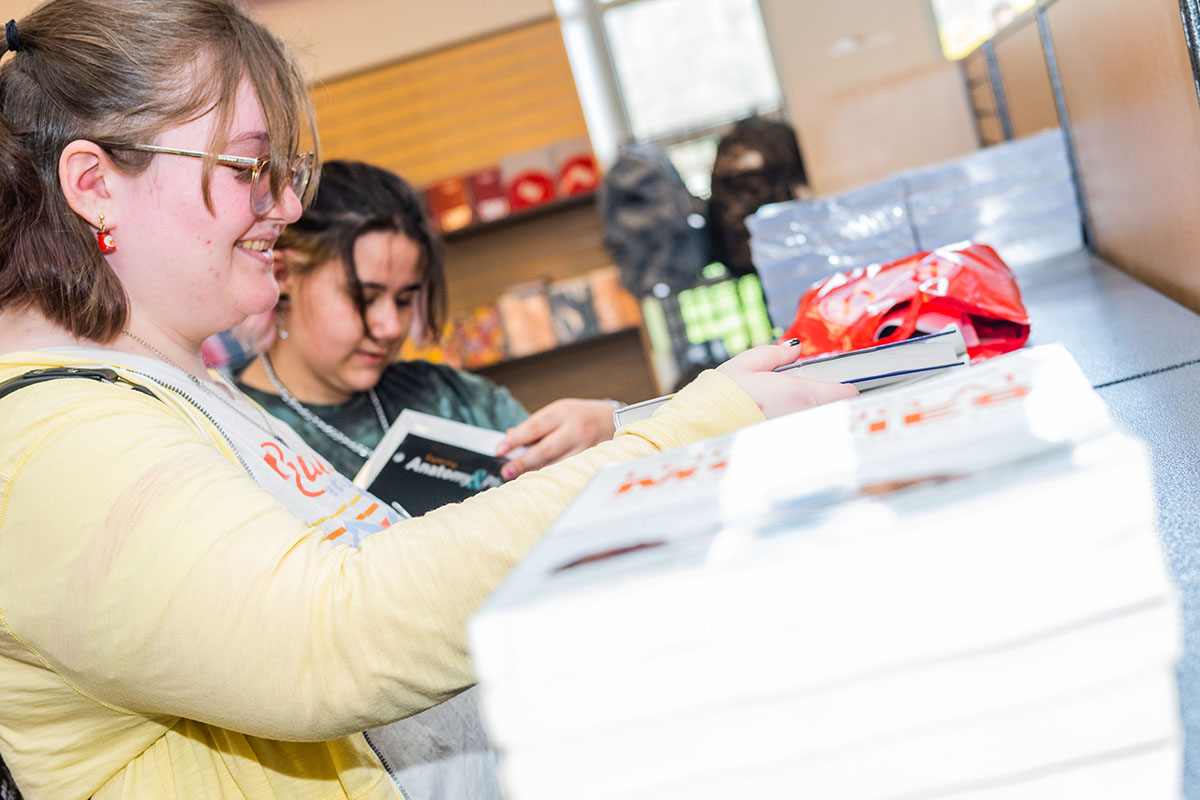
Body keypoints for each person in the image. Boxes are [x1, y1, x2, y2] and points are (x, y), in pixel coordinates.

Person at [0, 3, 858, 799]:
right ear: (94, 183)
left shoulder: (166, 389)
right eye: (248, 168)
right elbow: (327, 635)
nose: (288, 206)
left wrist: (637, 435)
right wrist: (682, 437)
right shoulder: (48, 440)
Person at [233, 158, 618, 482]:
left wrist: (609, 426)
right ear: (283, 276)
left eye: (404, 300)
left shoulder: (455, 397)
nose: (390, 327)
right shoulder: (235, 432)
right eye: (363, 298)